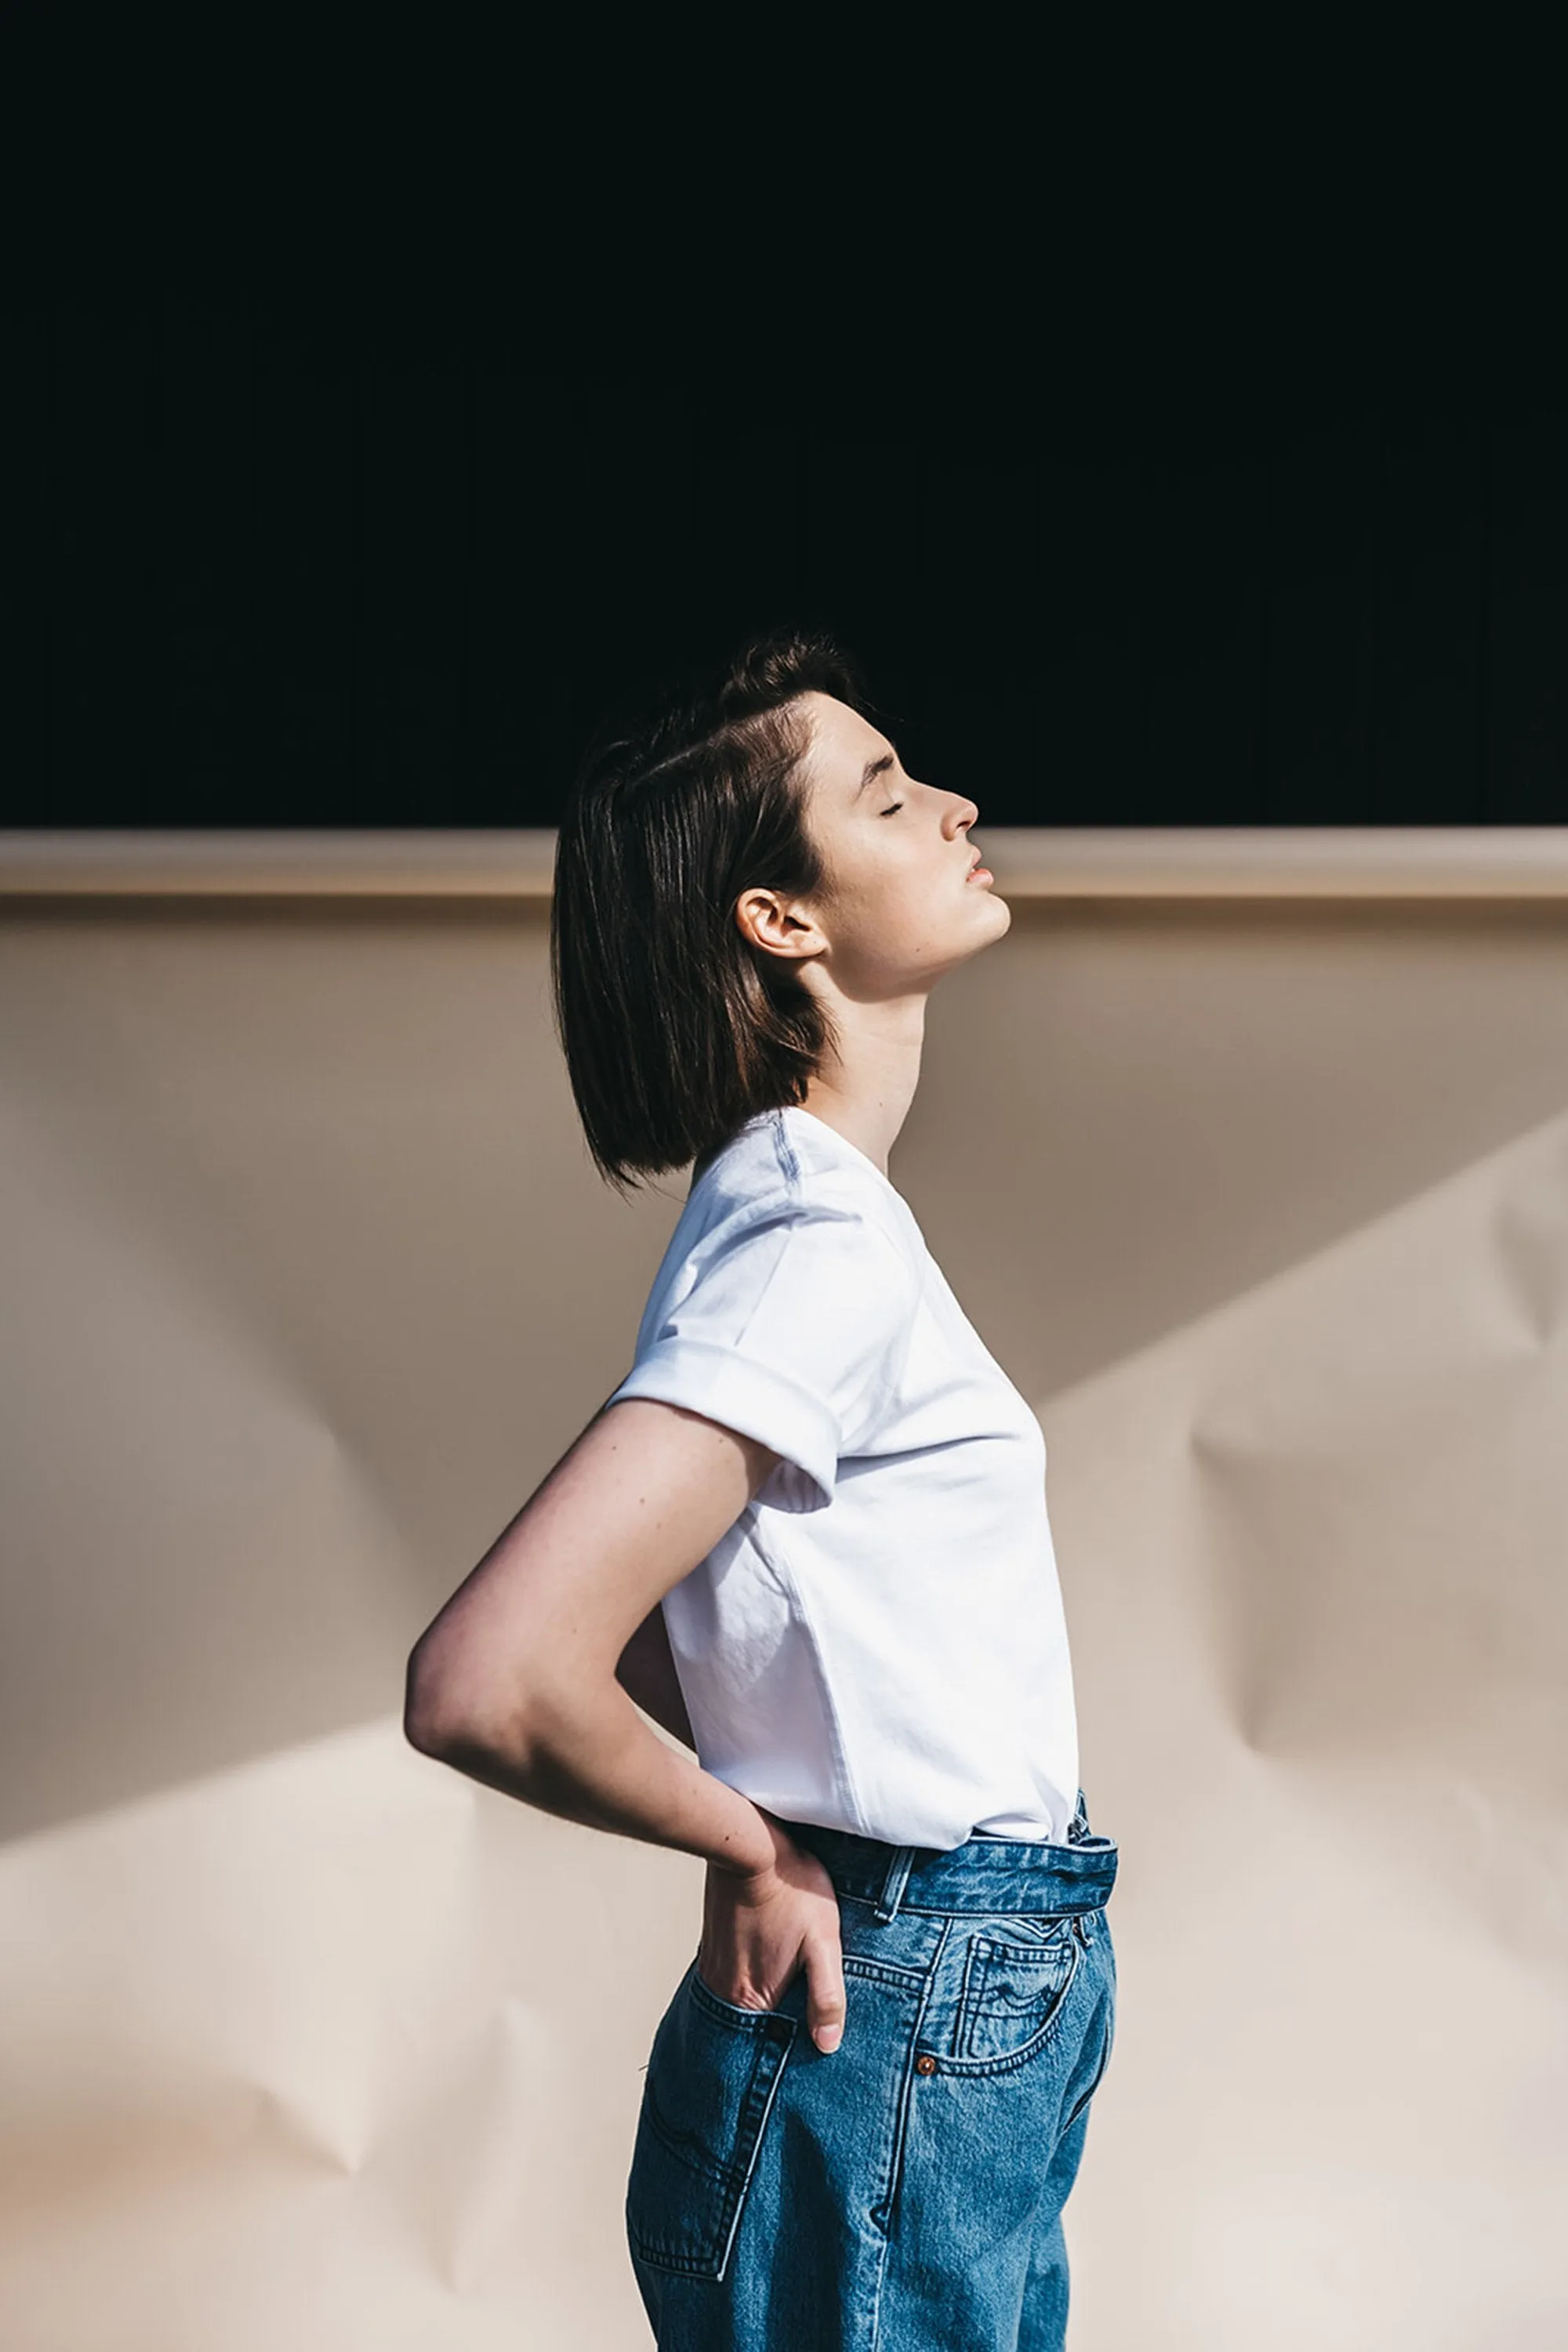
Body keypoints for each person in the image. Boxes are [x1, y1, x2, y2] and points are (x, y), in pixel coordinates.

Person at [403, 631, 1119, 2350]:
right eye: (886, 792)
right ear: (778, 920)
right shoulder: (811, 1240)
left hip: (949, 1993)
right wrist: (755, 1840)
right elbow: (492, 1678)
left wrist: (772, 1811)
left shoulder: (794, 1217)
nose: (956, 805)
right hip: (905, 2004)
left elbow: (684, 1623)